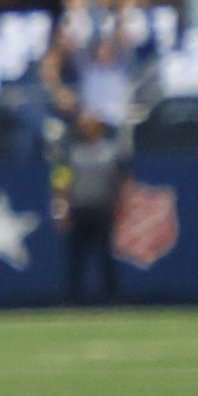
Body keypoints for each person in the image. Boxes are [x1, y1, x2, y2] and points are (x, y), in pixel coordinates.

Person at [56, 106, 128, 305]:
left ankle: (111, 297)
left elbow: (119, 179)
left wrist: (119, 204)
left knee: (105, 256)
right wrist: (61, 208)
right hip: (79, 208)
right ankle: (74, 298)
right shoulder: (71, 151)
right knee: (76, 258)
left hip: (101, 208)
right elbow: (61, 182)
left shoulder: (110, 150)